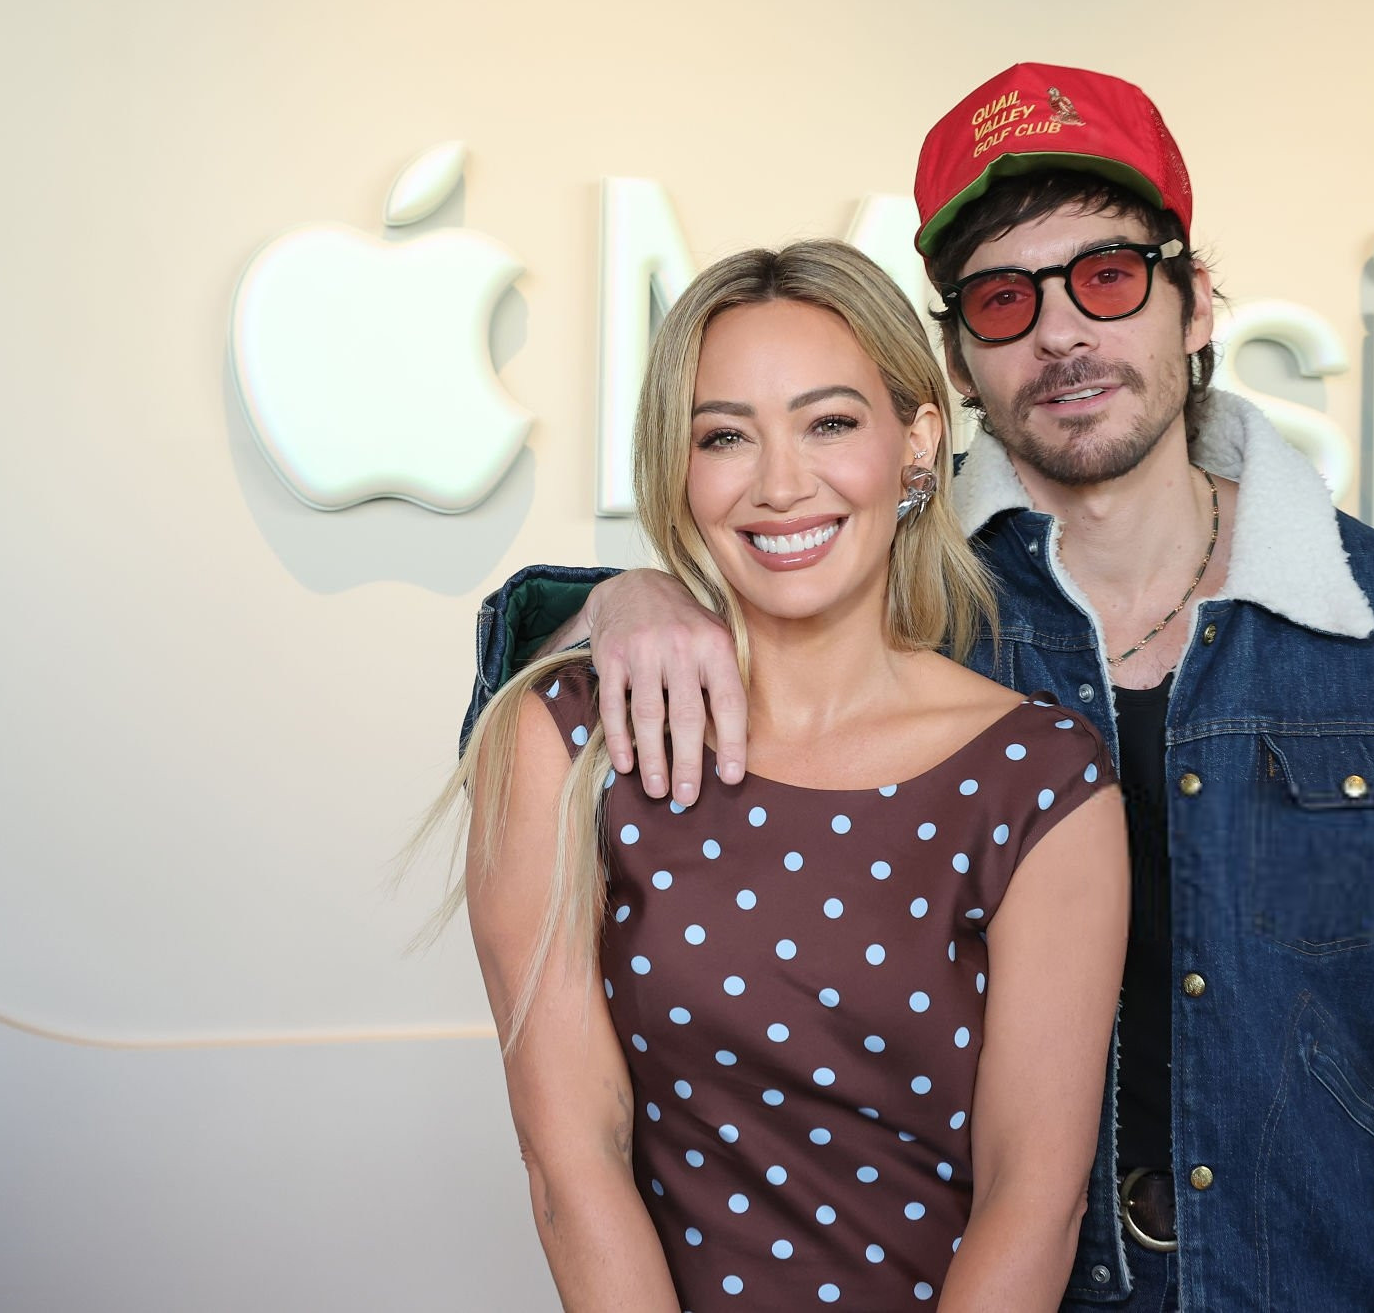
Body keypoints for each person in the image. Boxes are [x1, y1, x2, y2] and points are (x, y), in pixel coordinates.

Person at [462, 64, 1374, 1308]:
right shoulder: (904, 594)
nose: (1060, 336)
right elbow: (720, 600)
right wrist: (622, 597)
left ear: (1194, 302)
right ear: (953, 361)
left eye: (1106, 277)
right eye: (1002, 299)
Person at [430, 238, 1129, 1311]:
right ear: (677, 467)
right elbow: (572, 1160)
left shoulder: (1039, 779)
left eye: (829, 422)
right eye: (724, 436)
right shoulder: (566, 741)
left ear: (917, 442)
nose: (781, 483)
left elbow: (1032, 1199)